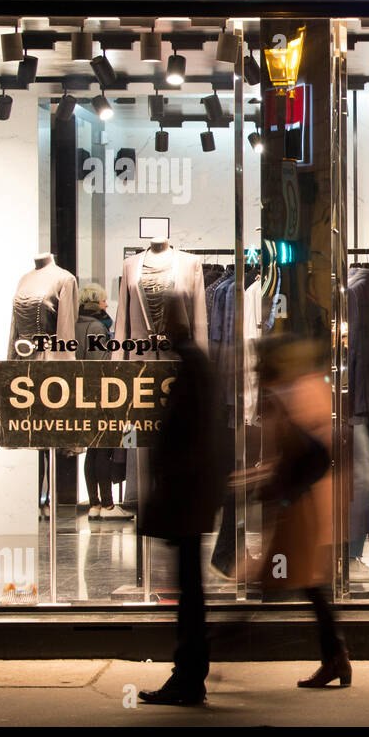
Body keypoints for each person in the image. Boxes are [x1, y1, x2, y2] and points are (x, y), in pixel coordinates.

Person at [138, 292, 224, 706]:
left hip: (187, 496)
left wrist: (169, 480)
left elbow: (188, 437)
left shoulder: (191, 365)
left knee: (189, 590)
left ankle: (188, 676)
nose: (160, 326)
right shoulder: (195, 364)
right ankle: (189, 673)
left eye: (166, 318)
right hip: (191, 495)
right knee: (190, 588)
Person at [254, 337, 351, 688]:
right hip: (307, 501)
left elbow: (304, 453)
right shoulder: (306, 388)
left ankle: (335, 658)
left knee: (304, 583)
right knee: (310, 585)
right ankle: (336, 659)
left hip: (301, 504)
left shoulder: (290, 394)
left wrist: (273, 489)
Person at [76, 283, 130, 520]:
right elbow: (101, 364)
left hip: (81, 394)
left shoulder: (74, 324)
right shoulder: (97, 327)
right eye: (103, 301)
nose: (107, 305)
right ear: (94, 303)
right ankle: (107, 505)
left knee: (92, 450)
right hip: (100, 395)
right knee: (105, 450)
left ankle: (95, 504)